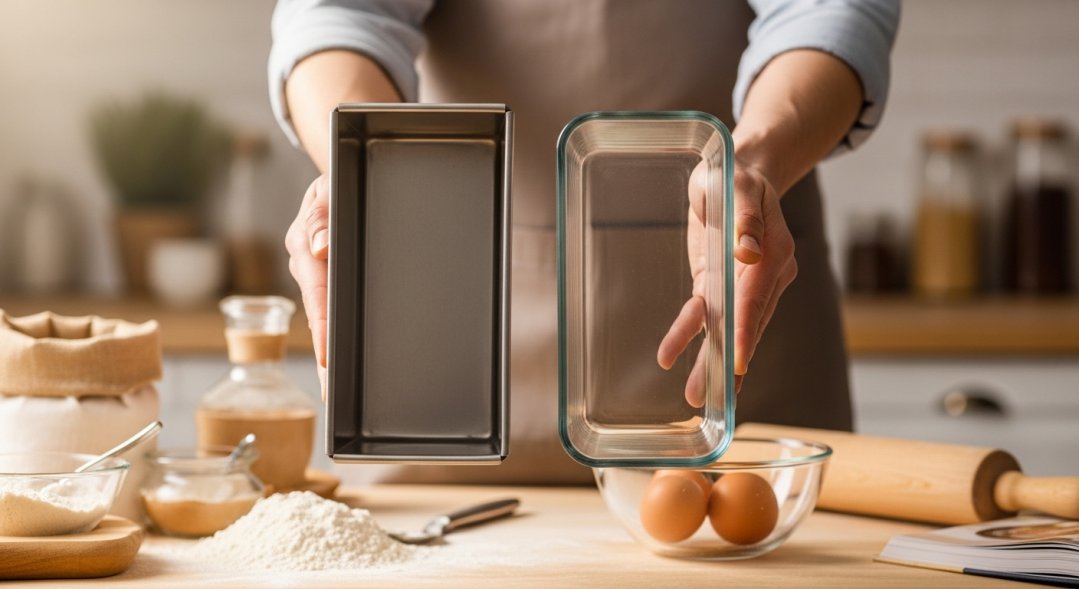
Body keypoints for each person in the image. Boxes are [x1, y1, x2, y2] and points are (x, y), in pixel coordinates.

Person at [270, 0, 900, 484]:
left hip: (736, 290)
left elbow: (828, 10)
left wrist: (755, 162)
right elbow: (341, 11)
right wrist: (367, 177)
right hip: (455, 335)